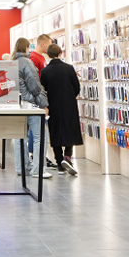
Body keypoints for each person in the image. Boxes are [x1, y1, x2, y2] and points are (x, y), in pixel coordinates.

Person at [40, 44, 82, 176]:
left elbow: (43, 89)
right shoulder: (69, 68)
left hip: (53, 105)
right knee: (70, 129)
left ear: (48, 55)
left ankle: (59, 163)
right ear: (60, 53)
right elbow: (77, 87)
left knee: (55, 131)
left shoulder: (45, 71)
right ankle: (67, 156)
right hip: (69, 104)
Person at [12, 37, 51, 179]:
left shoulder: (12, 63)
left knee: (19, 136)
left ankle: (21, 167)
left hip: (16, 104)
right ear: (27, 48)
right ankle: (38, 169)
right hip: (30, 104)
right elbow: (35, 86)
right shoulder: (27, 63)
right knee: (40, 136)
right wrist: (43, 104)